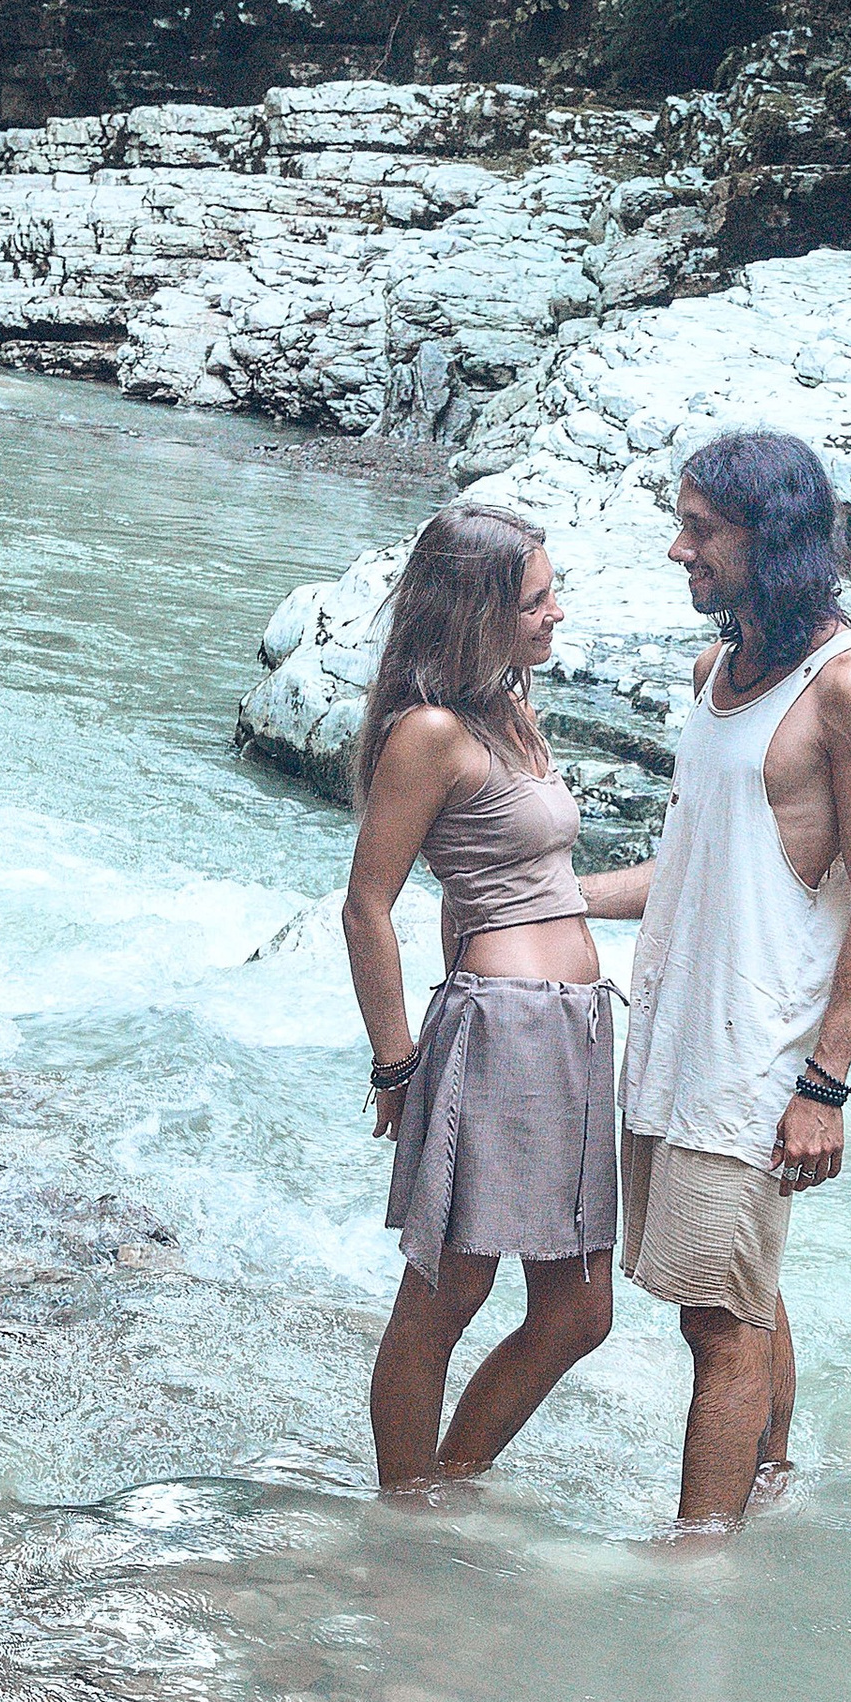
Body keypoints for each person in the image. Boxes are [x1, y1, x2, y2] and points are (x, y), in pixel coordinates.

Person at [578, 431, 851, 1530]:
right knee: (744, 1292)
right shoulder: (712, 671)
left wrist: (824, 1087)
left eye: (700, 531)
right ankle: (768, 1492)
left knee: (714, 1323)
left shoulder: (850, 686)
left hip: (757, 1063)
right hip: (678, 1038)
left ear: (769, 541)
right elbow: (691, 868)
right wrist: (550, 892)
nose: (679, 550)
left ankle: (698, 1566)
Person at [343, 504, 617, 1491]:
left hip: (575, 1033)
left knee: (579, 1313)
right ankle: (406, 1510)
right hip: (500, 1035)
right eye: (537, 599)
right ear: (478, 610)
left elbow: (528, 889)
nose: (555, 614)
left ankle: (449, 1481)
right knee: (448, 1291)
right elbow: (366, 906)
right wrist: (397, 1062)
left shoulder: (511, 714)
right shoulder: (428, 733)